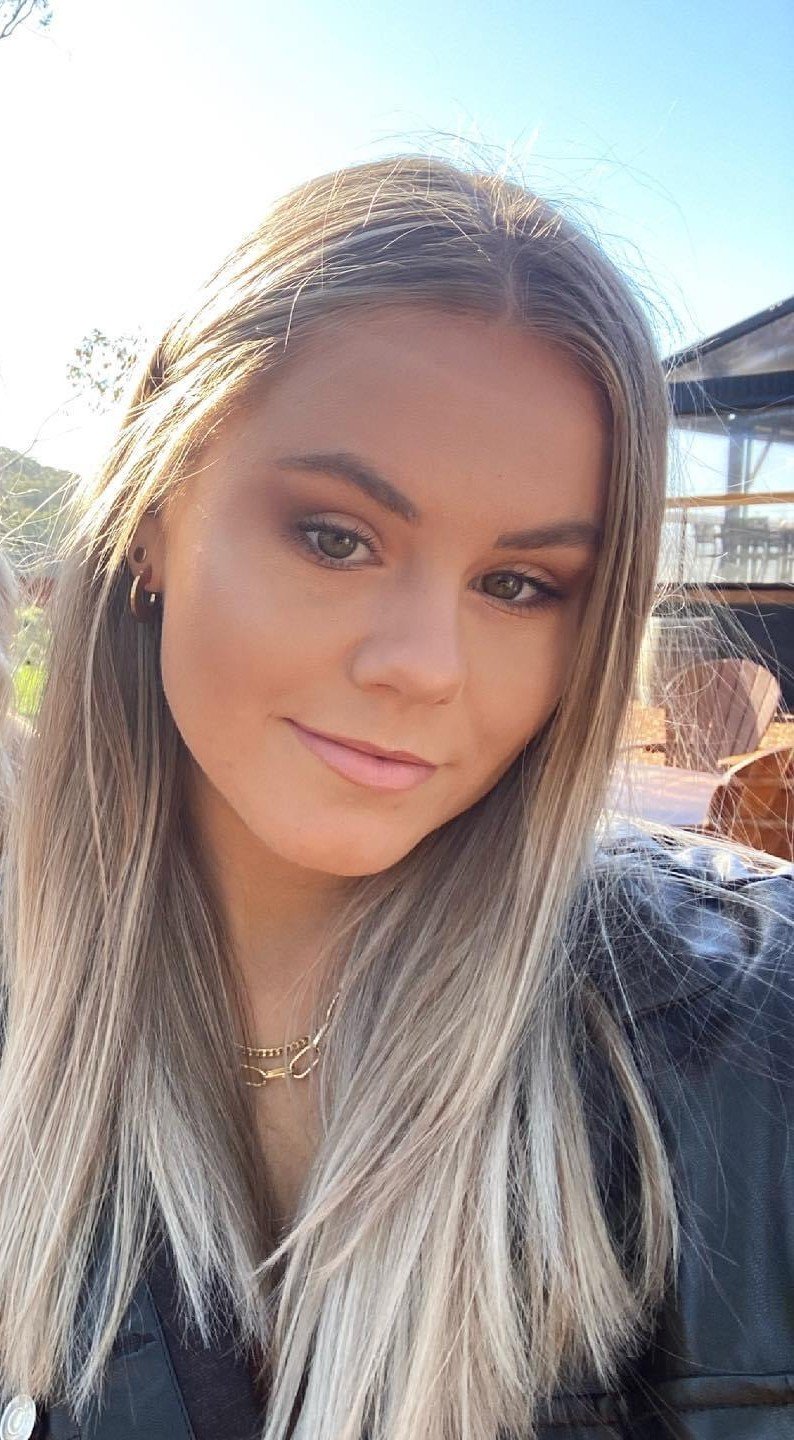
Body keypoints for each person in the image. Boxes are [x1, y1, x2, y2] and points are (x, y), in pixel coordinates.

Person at [0, 153, 791, 1440]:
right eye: (333, 536)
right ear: (151, 518)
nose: (422, 666)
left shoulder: (744, 1045)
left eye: (521, 584)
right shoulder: (28, 990)